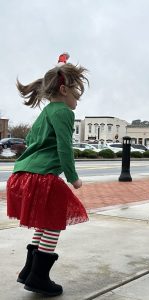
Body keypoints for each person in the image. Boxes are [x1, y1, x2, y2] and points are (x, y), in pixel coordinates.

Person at [6, 53, 89, 296]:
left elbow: (31, 141)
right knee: (53, 225)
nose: (77, 99)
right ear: (64, 90)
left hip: (22, 176)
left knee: (43, 224)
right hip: (43, 178)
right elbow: (65, 148)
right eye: (76, 93)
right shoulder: (64, 112)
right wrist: (73, 178)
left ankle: (29, 271)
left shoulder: (44, 113)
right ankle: (39, 277)